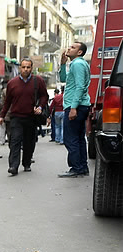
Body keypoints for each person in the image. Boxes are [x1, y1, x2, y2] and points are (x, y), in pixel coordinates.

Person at [0, 58, 48, 176]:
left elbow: (44, 96)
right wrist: (2, 116)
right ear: (20, 68)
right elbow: (7, 102)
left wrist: (40, 107)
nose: (26, 69)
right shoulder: (12, 83)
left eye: (28, 67)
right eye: (24, 67)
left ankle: (26, 163)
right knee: (15, 141)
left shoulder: (38, 81)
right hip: (16, 117)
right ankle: (13, 166)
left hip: (31, 117)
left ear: (32, 68)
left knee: (29, 142)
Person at [58, 42, 91, 178]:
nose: (69, 48)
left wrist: (73, 107)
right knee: (79, 138)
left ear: (79, 52)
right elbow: (63, 79)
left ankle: (76, 168)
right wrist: (62, 64)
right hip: (79, 105)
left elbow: (79, 87)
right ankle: (82, 167)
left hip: (75, 106)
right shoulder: (76, 64)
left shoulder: (77, 64)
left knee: (70, 139)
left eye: (73, 47)